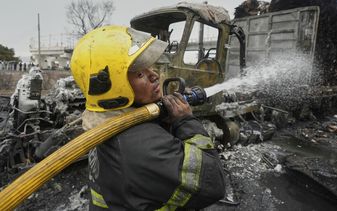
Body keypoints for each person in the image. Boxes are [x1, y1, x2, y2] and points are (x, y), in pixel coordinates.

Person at [70, 25, 225, 211]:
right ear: (114, 86)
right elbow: (213, 183)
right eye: (140, 73)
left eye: (150, 67)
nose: (155, 75)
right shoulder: (141, 145)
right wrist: (185, 122)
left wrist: (164, 121)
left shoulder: (106, 124)